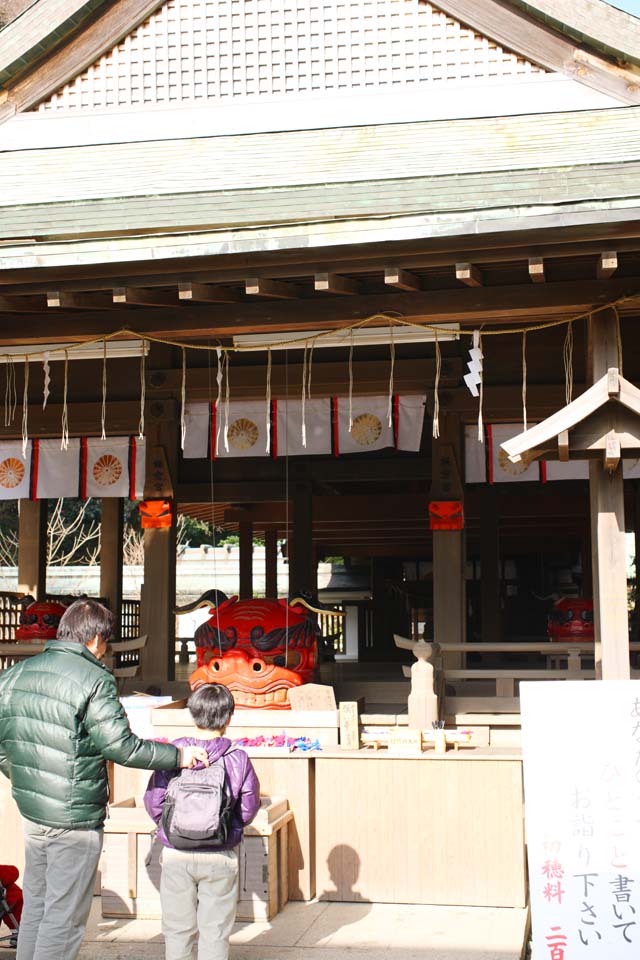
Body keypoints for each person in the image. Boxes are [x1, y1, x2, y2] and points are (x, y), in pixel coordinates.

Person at [0, 598, 209, 960]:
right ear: (97, 638)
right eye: (106, 641)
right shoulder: (95, 679)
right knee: (63, 917)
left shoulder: (15, 674)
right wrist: (178, 756)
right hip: (75, 816)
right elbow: (121, 747)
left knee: (36, 904)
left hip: (32, 810)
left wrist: (24, 776)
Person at [144, 683, 260, 960]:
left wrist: (172, 827)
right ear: (229, 718)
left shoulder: (174, 753)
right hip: (219, 853)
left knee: (177, 929)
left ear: (192, 713)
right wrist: (228, 829)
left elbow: (153, 801)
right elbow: (249, 807)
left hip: (176, 854)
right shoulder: (238, 758)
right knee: (215, 930)